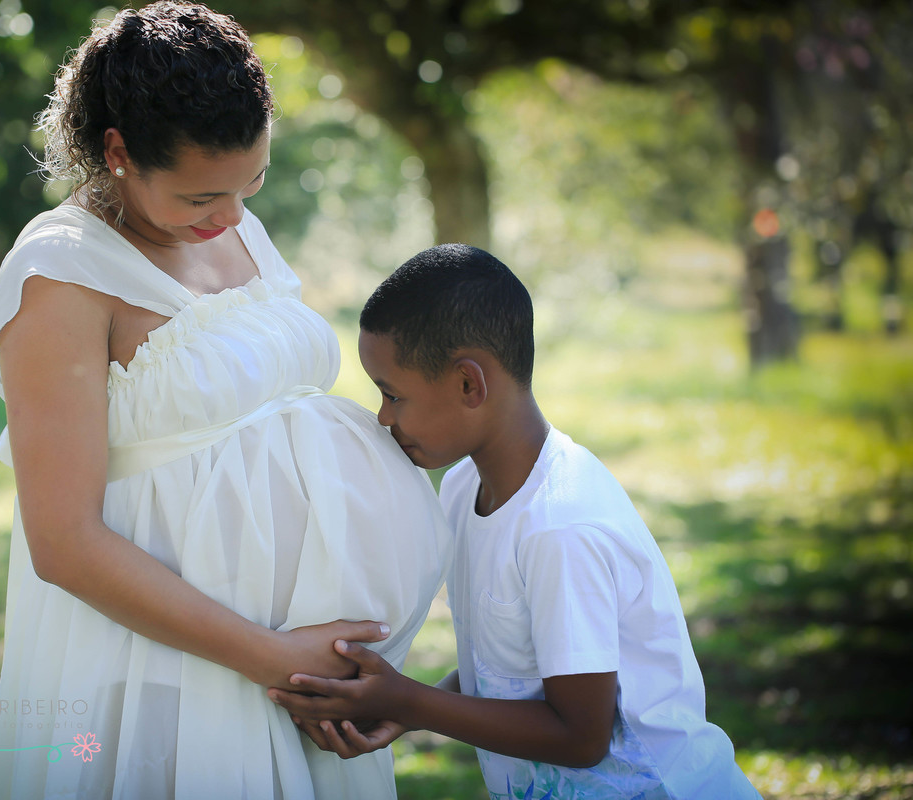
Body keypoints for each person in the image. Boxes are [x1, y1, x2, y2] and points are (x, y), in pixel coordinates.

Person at [0, 3, 450, 799]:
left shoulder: (229, 222)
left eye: (251, 182)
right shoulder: (60, 278)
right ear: (118, 152)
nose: (230, 216)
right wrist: (275, 658)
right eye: (201, 198)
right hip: (171, 664)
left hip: (291, 665)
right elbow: (63, 542)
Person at [269, 244, 761, 799]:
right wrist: (403, 709)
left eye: (392, 395)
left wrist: (410, 700)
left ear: (468, 384)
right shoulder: (461, 488)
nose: (383, 418)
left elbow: (581, 737)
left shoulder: (560, 529)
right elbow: (506, 669)